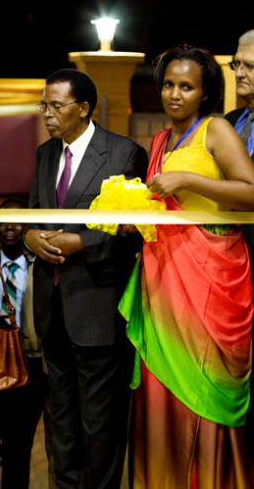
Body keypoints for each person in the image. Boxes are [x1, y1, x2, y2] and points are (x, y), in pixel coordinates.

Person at [120, 45, 254, 488]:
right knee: (162, 395)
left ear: (205, 92)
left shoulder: (215, 130)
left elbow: (251, 191)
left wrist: (190, 180)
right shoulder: (160, 139)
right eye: (169, 85)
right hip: (163, 281)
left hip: (211, 283)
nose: (174, 94)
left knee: (203, 391)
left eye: (186, 86)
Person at [25, 69, 148, 489]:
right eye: (44, 105)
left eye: (56, 106)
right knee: (60, 419)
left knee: (100, 425)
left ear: (83, 108)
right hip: (52, 308)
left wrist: (82, 242)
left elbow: (133, 233)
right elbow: (35, 213)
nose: (47, 114)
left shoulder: (123, 154)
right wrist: (28, 237)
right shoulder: (45, 155)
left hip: (97, 307)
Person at [0, 197, 47, 489]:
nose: (10, 226)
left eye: (18, 220)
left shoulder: (39, 265)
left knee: (19, 446)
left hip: (30, 362)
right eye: (4, 220)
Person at [225, 28, 254, 459]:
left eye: (249, 66)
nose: (240, 72)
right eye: (236, 64)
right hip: (230, 273)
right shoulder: (230, 123)